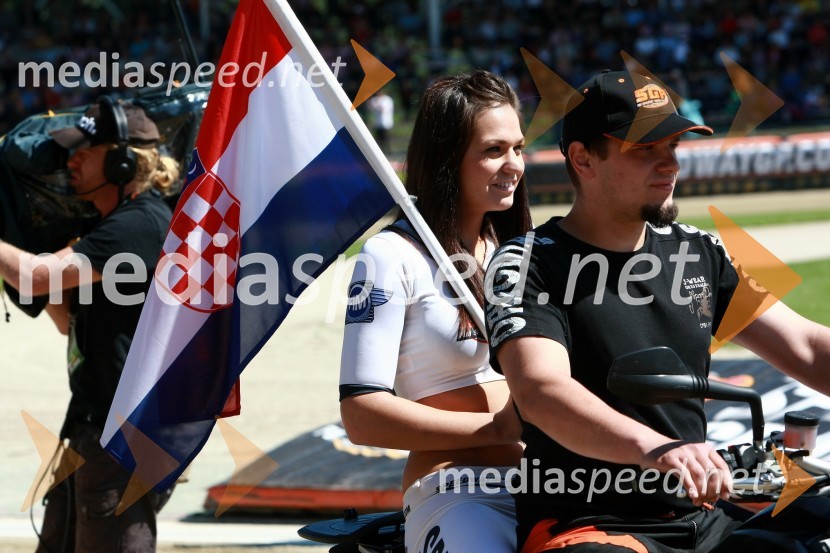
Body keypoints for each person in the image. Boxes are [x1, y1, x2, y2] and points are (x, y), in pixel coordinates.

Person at [484, 69, 830, 553]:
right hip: (590, 523)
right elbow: (542, 391)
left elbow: (806, 347)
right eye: (645, 150)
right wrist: (659, 451)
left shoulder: (699, 252)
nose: (669, 164)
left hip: (705, 517)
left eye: (673, 148)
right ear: (583, 159)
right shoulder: (528, 262)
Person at [339, 70, 533, 552]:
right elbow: (361, 414)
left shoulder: (524, 249)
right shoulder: (390, 255)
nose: (513, 165)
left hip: (553, 485)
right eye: (493, 150)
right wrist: (498, 427)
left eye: (519, 147)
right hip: (456, 493)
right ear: (448, 160)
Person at [0, 97, 178, 552]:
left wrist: (24, 261)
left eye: (84, 151)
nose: (70, 161)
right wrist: (28, 240)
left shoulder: (137, 225)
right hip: (93, 425)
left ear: (123, 162)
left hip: (123, 439)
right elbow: (67, 320)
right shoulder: (112, 226)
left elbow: (35, 277)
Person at [366, 88, 394, 154]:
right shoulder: (375, 100)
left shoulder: (387, 99)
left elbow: (383, 109)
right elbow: (370, 107)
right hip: (378, 123)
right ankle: (380, 151)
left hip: (386, 122)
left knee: (386, 138)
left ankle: (388, 150)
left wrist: (376, 106)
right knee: (378, 139)